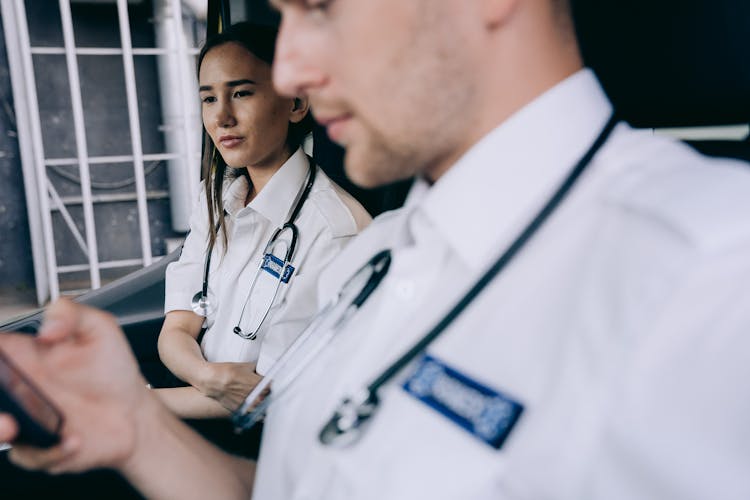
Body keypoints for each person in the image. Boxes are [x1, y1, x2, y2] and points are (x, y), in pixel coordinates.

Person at [2, 0, 750, 499]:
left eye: (322, 7)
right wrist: (134, 426)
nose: (290, 69)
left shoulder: (714, 274)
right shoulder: (378, 260)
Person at [154, 22, 370, 419]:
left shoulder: (336, 231)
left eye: (241, 93)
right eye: (208, 99)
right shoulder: (214, 199)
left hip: (257, 434)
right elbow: (178, 326)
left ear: (295, 104)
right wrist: (207, 376)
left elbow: (268, 393)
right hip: (195, 404)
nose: (222, 117)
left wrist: (137, 404)